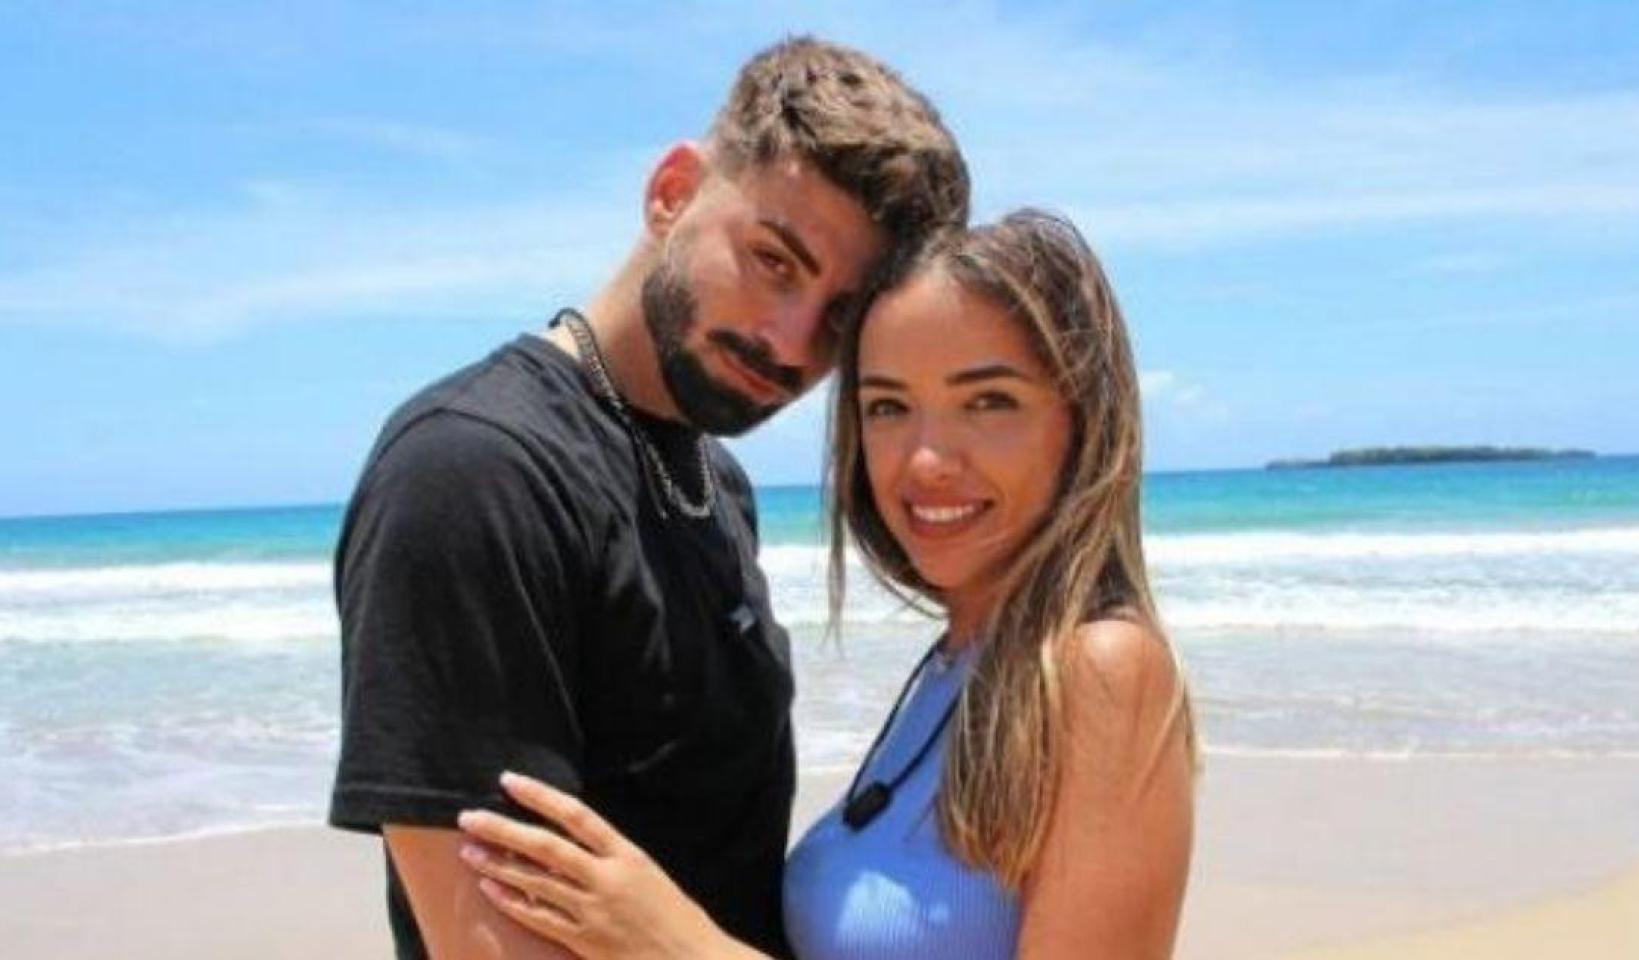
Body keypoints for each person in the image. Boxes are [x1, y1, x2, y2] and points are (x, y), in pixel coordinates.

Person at [328, 37, 969, 959]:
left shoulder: (715, 480)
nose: (791, 342)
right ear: (673, 192)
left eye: (840, 316)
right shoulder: (475, 473)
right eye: (773, 261)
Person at [456, 210, 1199, 958]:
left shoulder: (1102, 671)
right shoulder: (955, 666)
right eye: (888, 407)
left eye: (988, 401)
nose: (926, 460)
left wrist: (676, 943)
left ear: (1082, 420)